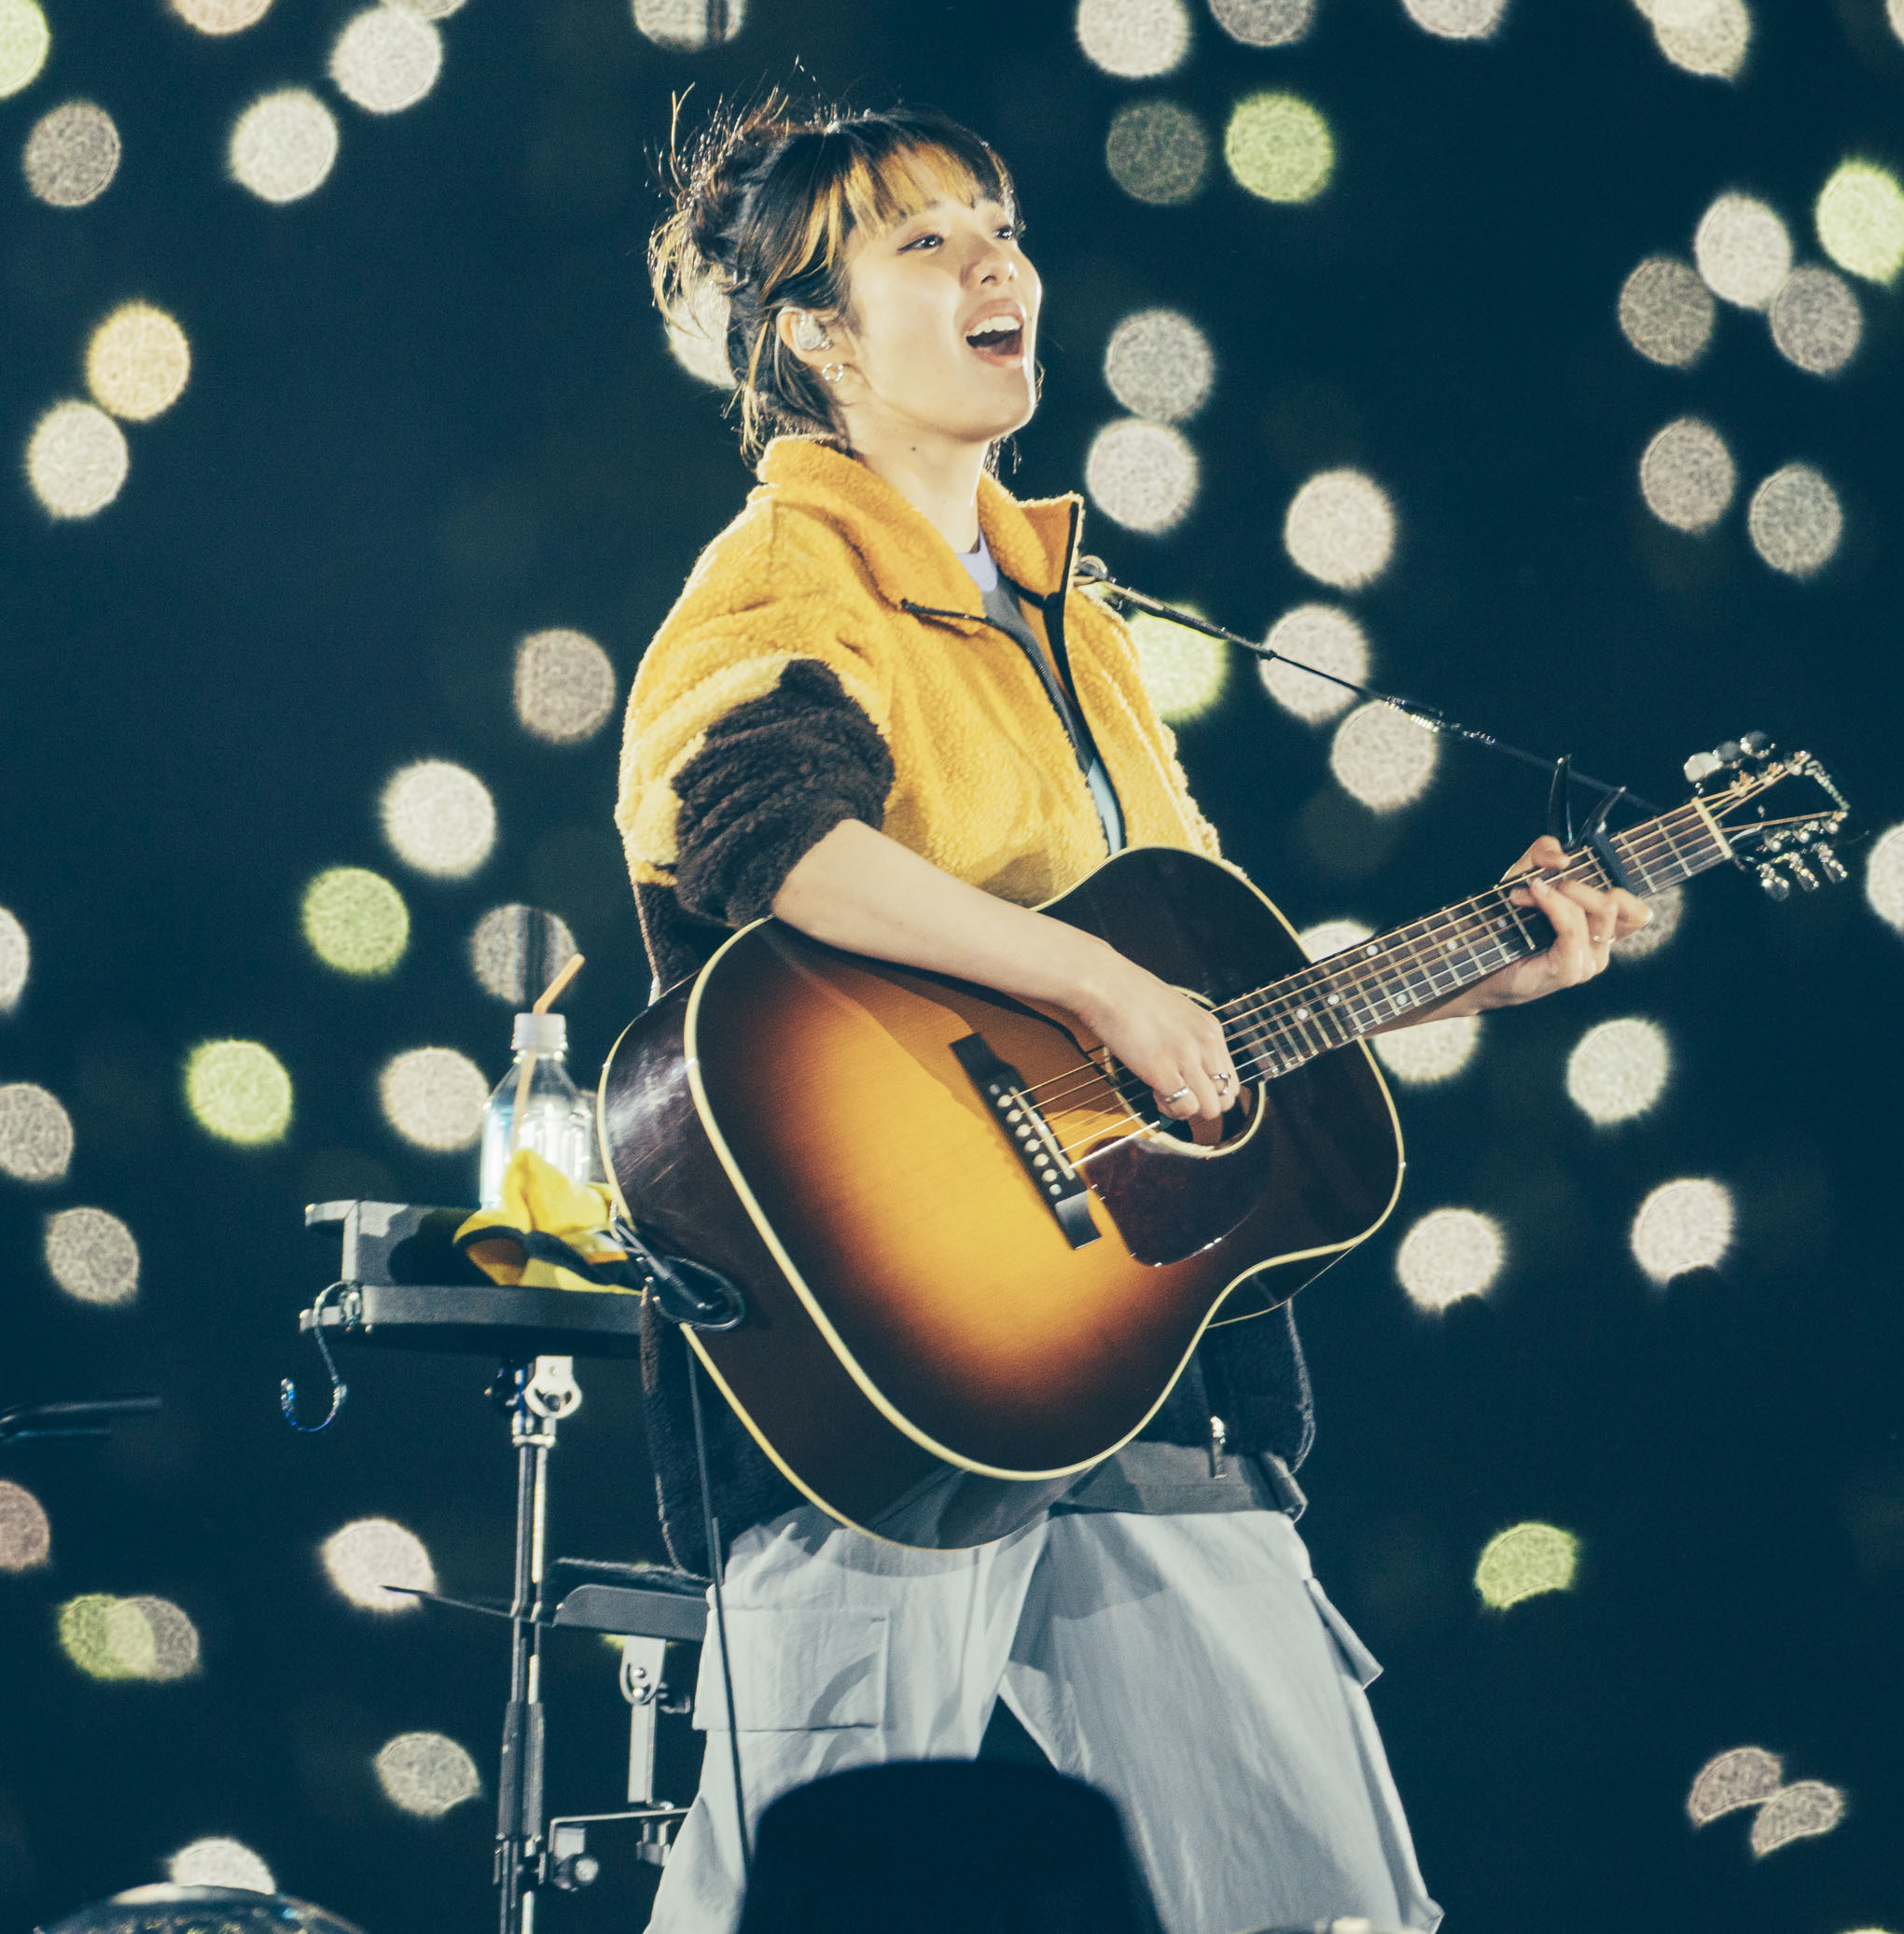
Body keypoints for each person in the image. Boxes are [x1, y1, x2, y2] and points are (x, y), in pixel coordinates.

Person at [615, 100, 1647, 1934]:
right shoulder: (790, 571)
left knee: (1319, 1899)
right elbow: (764, 843)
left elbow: (1197, 1012)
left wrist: (1471, 965)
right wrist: (1097, 981)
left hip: (1135, 1352)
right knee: (797, 1905)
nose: (991, 261)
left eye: (995, 224)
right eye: (919, 241)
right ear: (815, 334)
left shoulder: (1068, 618)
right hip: (888, 1363)